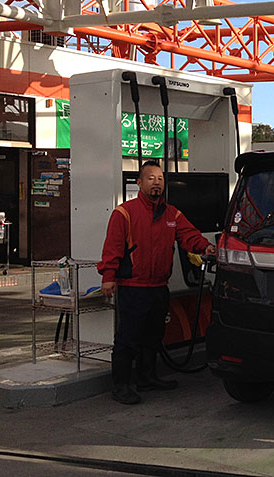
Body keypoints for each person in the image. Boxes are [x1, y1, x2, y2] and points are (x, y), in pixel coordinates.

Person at [99, 160, 216, 404]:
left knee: (153, 336)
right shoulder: (124, 213)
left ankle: (147, 378)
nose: (157, 183)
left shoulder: (172, 214)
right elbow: (112, 248)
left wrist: (206, 246)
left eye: (160, 179)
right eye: (151, 178)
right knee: (128, 338)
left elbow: (189, 235)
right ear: (139, 183)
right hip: (133, 287)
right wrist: (108, 278)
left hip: (158, 287)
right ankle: (120, 386)